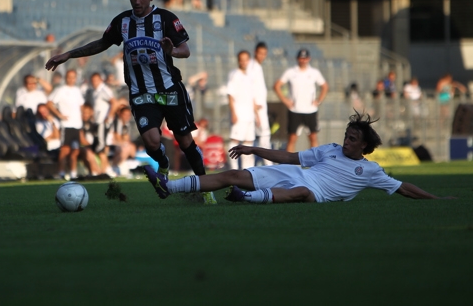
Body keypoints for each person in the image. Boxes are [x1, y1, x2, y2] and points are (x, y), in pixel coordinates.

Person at [44, 0, 217, 204]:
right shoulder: (122, 22)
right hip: (141, 92)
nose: (137, 2)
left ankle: (206, 187)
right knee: (152, 141)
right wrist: (69, 54)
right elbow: (101, 43)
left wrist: (171, 51)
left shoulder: (165, 19)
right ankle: (163, 165)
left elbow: (185, 49)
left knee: (185, 142)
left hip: (169, 90)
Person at [143, 111, 454, 203]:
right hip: (293, 175)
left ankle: (245, 198)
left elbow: (402, 187)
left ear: (364, 147)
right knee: (232, 174)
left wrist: (436, 199)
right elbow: (290, 157)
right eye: (347, 135)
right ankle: (168, 187)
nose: (346, 141)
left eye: (352, 138)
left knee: (302, 193)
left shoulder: (370, 171)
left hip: (314, 191)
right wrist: (253, 150)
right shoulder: (330, 149)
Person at [274, 48, 328, 152]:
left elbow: (324, 86)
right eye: (301, 58)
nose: (303, 60)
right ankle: (289, 165)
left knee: (313, 137)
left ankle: (314, 164)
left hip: (310, 110)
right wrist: (285, 101)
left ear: (309, 59)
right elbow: (277, 86)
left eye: (305, 58)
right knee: (292, 138)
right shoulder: (291, 72)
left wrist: (318, 100)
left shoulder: (314, 72)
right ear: (297, 59)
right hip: (295, 110)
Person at [47, 69, 85, 180]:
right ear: (65, 78)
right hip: (67, 125)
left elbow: (81, 105)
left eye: (73, 77)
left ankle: (73, 173)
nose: (71, 79)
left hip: (77, 125)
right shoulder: (60, 90)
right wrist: (59, 115)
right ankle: (61, 173)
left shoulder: (77, 91)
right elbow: (49, 103)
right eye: (69, 77)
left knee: (75, 151)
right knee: (65, 150)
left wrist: (82, 117)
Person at [227, 50, 259, 170]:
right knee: (235, 140)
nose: (244, 62)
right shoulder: (235, 74)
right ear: (238, 60)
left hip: (249, 115)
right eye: (242, 59)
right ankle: (233, 169)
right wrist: (233, 113)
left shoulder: (250, 76)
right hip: (239, 114)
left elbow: (252, 97)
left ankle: (248, 171)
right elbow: (230, 95)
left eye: (246, 59)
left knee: (249, 143)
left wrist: (257, 115)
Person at [248, 42, 272, 165]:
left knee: (262, 136)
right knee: (262, 136)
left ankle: (265, 164)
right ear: (255, 52)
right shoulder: (252, 67)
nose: (262, 56)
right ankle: (268, 165)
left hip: (259, 108)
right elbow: (249, 87)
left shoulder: (257, 66)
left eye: (264, 54)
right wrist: (255, 109)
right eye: (260, 53)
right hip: (256, 108)